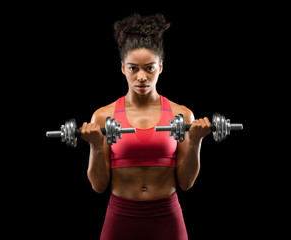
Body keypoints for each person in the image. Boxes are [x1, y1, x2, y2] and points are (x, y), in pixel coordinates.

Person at [80, 13, 211, 240]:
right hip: (120, 218)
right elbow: (98, 186)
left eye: (149, 68)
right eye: (133, 68)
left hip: (167, 218)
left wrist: (197, 140)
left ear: (161, 66)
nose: (142, 77)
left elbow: (186, 183)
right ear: (122, 67)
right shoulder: (103, 116)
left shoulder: (182, 114)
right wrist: (95, 147)